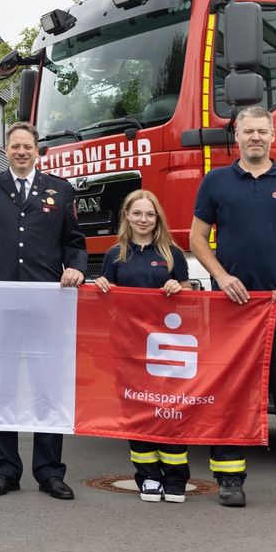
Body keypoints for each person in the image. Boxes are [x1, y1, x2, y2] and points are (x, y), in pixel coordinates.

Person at [189, 105, 276, 511]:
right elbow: (198, 239)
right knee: (228, 391)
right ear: (236, 137)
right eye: (248, 131)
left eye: (262, 132)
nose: (255, 138)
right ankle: (229, 477)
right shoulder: (215, 182)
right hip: (231, 306)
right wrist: (222, 277)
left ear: (272, 136)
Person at [0, 121, 87, 500]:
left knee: (48, 387)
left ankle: (49, 472)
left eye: (27, 146)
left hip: (46, 304)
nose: (21, 152)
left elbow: (74, 243)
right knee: (2, 388)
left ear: (37, 150)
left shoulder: (60, 191)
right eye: (15, 146)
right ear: (6, 149)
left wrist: (77, 265)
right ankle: (5, 470)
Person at [94, 189, 191, 504]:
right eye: (137, 213)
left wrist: (180, 287)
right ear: (127, 217)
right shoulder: (114, 255)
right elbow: (106, 302)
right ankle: (148, 478)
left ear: (157, 218)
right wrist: (102, 287)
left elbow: (189, 295)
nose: (143, 219)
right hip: (129, 346)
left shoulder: (172, 254)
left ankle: (176, 480)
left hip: (166, 347)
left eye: (149, 214)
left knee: (169, 409)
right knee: (137, 409)